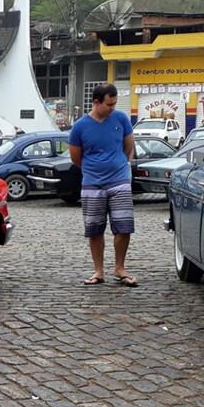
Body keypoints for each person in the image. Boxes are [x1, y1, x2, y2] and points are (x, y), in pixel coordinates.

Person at [68, 83, 138, 287]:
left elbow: (128, 146)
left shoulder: (121, 119)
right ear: (96, 102)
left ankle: (120, 267)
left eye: (115, 104)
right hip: (92, 184)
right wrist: (95, 169)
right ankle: (99, 270)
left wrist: (120, 165)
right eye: (109, 104)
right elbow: (75, 158)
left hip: (120, 180)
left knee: (124, 226)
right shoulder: (80, 126)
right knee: (95, 228)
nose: (112, 108)